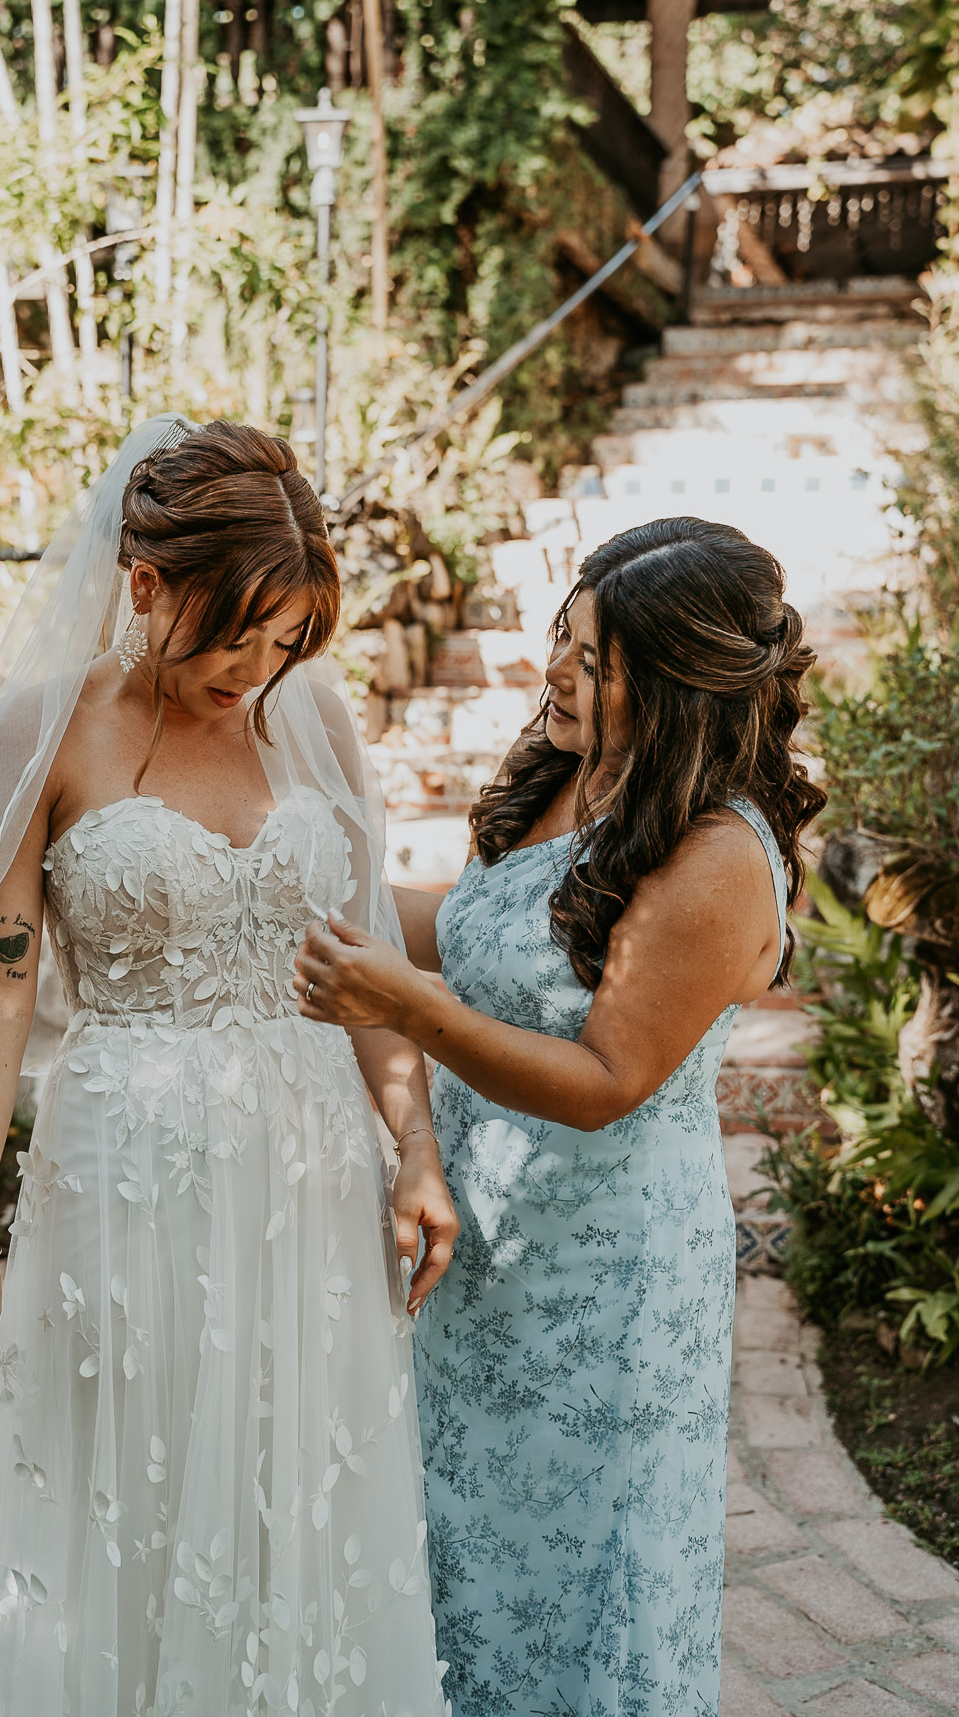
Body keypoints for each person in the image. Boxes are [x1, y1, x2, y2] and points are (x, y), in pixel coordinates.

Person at [0, 417, 457, 1717]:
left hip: (310, 1174)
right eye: (237, 636)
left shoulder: (310, 722)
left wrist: (413, 1144)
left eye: (287, 640)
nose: (259, 669)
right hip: (124, 1176)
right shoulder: (38, 733)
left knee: (300, 1487)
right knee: (131, 1490)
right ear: (143, 583)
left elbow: (357, 959)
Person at [293, 516, 826, 1716]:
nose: (557, 674)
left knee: (588, 1585)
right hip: (484, 1250)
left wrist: (408, 1008)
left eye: (595, 661)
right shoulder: (573, 768)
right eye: (562, 639)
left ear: (680, 683)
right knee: (460, 1563)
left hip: (607, 1286)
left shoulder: (719, 855)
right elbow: (476, 929)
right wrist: (289, 880)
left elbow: (605, 1080)